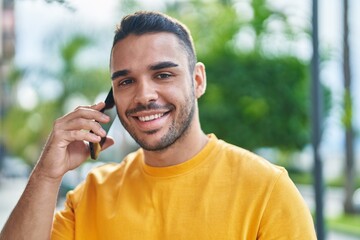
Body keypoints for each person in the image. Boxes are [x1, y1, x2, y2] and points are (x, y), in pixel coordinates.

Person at [0, 11, 317, 240]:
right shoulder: (90, 197)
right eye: (126, 81)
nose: (143, 95)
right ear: (112, 96)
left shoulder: (267, 190)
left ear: (197, 80)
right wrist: (47, 173)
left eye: (163, 75)